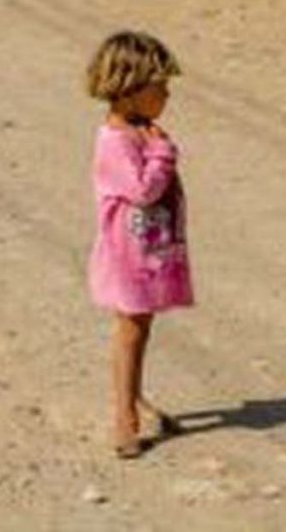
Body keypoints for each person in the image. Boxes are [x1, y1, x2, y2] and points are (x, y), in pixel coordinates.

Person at [86, 31, 192, 459]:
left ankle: (134, 397)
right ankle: (123, 418)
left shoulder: (137, 132)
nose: (167, 94)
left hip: (148, 252)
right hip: (127, 257)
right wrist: (163, 152)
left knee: (141, 328)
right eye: (159, 86)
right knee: (130, 331)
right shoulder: (116, 141)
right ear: (130, 89)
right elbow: (142, 191)